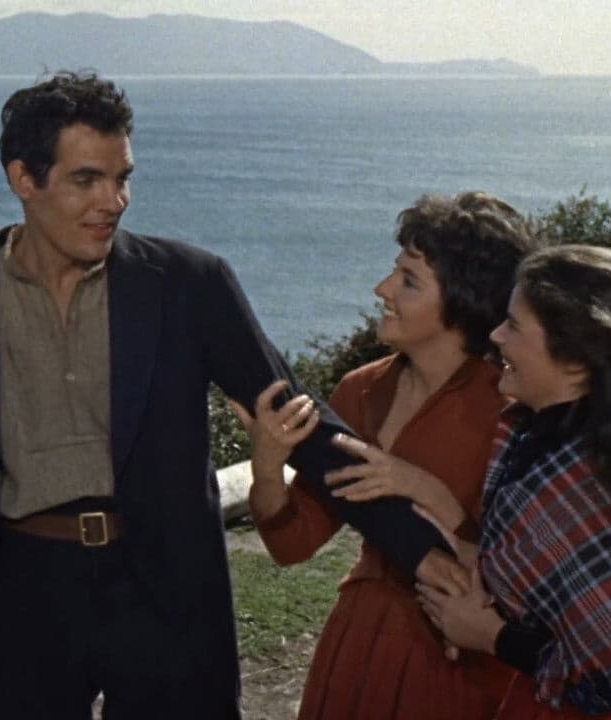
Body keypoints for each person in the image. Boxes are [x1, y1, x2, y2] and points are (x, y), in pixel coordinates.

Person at [0, 70, 471, 720]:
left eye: (122, 177)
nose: (114, 201)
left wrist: (418, 551)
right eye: (87, 180)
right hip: (17, 592)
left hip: (165, 585)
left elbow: (302, 426)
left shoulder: (189, 285)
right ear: (24, 179)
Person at [231, 192, 534, 718]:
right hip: (358, 642)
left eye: (408, 280)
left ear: (462, 302)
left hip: (458, 663)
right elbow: (293, 545)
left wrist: (428, 492)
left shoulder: (509, 413)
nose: (382, 289)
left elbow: (529, 573)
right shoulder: (360, 391)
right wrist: (268, 465)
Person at [417, 245, 611, 719]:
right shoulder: (540, 432)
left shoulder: (586, 488)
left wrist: (492, 636)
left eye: (514, 325)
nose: (496, 335)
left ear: (576, 360)